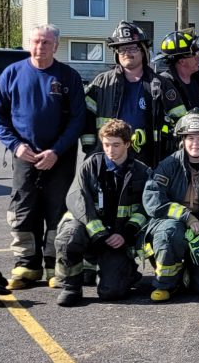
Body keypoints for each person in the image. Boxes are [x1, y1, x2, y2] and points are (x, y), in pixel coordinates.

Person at [0, 24, 85, 290]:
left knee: (58, 211)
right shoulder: (12, 74)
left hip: (59, 157)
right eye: (36, 42)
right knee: (23, 209)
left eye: (46, 42)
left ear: (56, 46)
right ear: (28, 44)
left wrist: (56, 150)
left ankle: (55, 265)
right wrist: (15, 146)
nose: (40, 47)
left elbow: (78, 119)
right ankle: (26, 265)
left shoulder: (68, 77)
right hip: (25, 155)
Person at [53, 119, 150, 307]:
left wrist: (126, 234)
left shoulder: (142, 172)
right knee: (69, 235)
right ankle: (72, 286)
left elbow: (145, 208)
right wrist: (99, 232)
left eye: (116, 145)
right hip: (93, 233)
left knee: (112, 292)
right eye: (106, 144)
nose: (110, 150)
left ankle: (127, 272)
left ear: (128, 144)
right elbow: (77, 199)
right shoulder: (90, 166)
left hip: (118, 239)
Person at [142, 109, 199, 301]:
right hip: (173, 225)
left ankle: (186, 272)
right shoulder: (168, 165)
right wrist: (186, 216)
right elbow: (153, 201)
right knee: (170, 232)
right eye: (190, 138)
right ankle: (165, 284)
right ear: (182, 140)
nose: (195, 144)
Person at [79, 21, 162, 168]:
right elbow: (86, 117)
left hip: (148, 157)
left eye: (133, 48)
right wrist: (91, 149)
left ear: (143, 51)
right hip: (109, 156)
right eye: (122, 49)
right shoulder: (102, 82)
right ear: (116, 54)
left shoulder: (158, 84)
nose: (127, 53)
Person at [152, 30, 199, 153]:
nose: (198, 58)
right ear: (182, 61)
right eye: (194, 55)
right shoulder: (165, 85)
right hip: (177, 150)